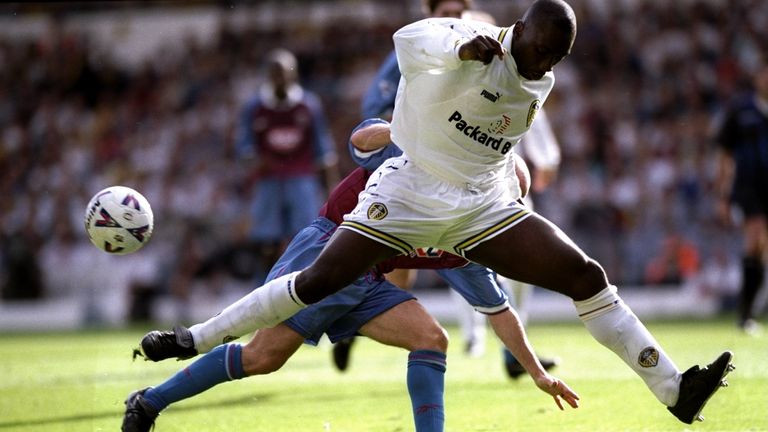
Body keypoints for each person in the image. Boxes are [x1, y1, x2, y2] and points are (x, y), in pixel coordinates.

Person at [136, 0, 732, 426]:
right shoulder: (466, 46)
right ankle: (194, 339)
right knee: (312, 288)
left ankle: (676, 391)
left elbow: (499, 310)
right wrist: (457, 45)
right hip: (408, 196)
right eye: (539, 47)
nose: (545, 63)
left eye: (557, 56)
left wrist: (535, 370)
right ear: (516, 28)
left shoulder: (536, 77)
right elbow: (408, 41)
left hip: (481, 206)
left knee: (584, 276)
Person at [122, 118, 579, 432]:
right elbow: (361, 140)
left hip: (370, 277)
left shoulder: (468, 241)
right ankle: (150, 401)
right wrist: (410, 128)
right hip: (327, 253)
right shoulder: (426, 159)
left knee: (431, 338)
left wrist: (536, 372)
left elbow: (499, 310)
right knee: (263, 358)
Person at [356, 0, 559, 376]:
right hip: (428, 171)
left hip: (490, 172)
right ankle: (359, 311)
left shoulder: (488, 43)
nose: (455, 17)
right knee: (408, 267)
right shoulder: (424, 47)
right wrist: (414, 132)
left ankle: (510, 349)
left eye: (459, 9)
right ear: (430, 10)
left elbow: (526, 99)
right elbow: (376, 104)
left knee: (512, 257)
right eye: (446, 10)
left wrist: (543, 154)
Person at [235, 48, 339, 281]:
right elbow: (244, 147)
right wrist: (253, 161)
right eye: (274, 72)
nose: (279, 77)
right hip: (268, 180)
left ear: (293, 75)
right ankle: (263, 288)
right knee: (266, 241)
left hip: (301, 177)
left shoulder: (308, 106)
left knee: (305, 237)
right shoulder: (254, 108)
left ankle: (302, 286)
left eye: (283, 72)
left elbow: (324, 151)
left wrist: (331, 189)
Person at [714, 63, 768, 334]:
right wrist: (723, 195)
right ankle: (745, 312)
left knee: (761, 249)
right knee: (756, 237)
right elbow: (724, 155)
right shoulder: (741, 111)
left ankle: (750, 308)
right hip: (749, 187)